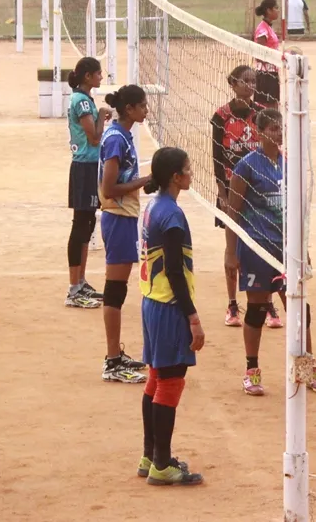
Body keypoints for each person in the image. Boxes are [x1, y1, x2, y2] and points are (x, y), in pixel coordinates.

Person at [228, 109, 316, 396]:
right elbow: (232, 211)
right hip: (256, 246)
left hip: (286, 249)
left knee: (299, 309)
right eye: (273, 128)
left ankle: (307, 368)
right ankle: (251, 371)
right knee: (258, 309)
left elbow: (296, 212)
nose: (278, 133)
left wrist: (303, 247)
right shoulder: (246, 167)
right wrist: (230, 252)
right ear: (260, 132)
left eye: (280, 128)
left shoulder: (289, 164)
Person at [137, 146, 205, 486]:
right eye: (188, 169)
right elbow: (176, 272)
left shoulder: (153, 206)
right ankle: (162, 466)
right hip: (168, 306)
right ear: (176, 177)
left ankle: (150, 456)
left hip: (151, 302)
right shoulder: (173, 216)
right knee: (171, 381)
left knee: (155, 377)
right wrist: (192, 317)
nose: (191, 173)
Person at [210, 65, 282, 328]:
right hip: (233, 188)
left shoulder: (260, 114)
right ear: (233, 83)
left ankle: (268, 303)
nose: (251, 85)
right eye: (246, 81)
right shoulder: (221, 116)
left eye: (254, 81)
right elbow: (217, 156)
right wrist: (223, 194)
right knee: (234, 246)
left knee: (264, 242)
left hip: (260, 189)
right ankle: (232, 304)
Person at [99, 85, 152, 384]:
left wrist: (141, 182)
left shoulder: (122, 134)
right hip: (117, 217)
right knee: (115, 290)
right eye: (143, 105)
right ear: (129, 109)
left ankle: (115, 357)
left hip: (123, 216)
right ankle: (112, 361)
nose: (146, 110)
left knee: (118, 288)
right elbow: (109, 188)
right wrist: (146, 179)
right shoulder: (116, 138)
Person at [66, 57, 110, 309]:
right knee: (81, 225)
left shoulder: (84, 99)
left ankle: (80, 282)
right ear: (87, 77)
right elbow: (94, 138)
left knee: (88, 223)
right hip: (84, 166)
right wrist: (103, 115)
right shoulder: (81, 101)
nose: (101, 78)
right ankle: (74, 289)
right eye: (98, 74)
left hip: (89, 166)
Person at [253, 0, 280, 109]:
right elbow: (260, 54)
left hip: (272, 73)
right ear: (269, 10)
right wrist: (276, 58)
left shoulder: (268, 27)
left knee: (274, 105)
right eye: (276, 8)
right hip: (265, 74)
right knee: (265, 107)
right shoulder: (262, 30)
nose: (278, 11)